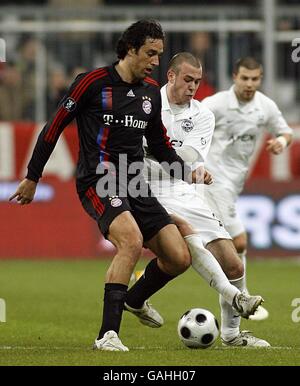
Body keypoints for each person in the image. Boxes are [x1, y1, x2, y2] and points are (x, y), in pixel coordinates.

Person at [9, 20, 203, 352]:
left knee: (178, 257)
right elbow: (53, 128)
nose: (156, 61)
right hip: (98, 180)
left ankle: (133, 299)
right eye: (150, 53)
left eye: (159, 54)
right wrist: (32, 176)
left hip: (134, 182)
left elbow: (158, 145)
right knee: (130, 240)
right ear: (130, 50)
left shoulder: (149, 93)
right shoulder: (92, 83)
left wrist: (188, 172)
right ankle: (107, 335)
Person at [128, 52, 270, 347]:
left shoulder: (203, 114)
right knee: (183, 235)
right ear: (171, 76)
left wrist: (157, 157)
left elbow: (188, 158)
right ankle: (236, 298)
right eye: (188, 79)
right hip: (144, 188)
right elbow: (138, 155)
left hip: (183, 189)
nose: (193, 86)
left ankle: (231, 335)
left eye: (197, 81)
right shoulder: (144, 102)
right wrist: (169, 161)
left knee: (234, 265)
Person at [201, 57, 293, 320]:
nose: (250, 84)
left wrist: (282, 143)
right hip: (212, 181)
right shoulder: (216, 104)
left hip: (234, 183)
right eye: (245, 78)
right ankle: (241, 298)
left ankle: (142, 286)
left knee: (191, 248)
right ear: (234, 76)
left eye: (255, 79)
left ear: (260, 79)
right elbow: (191, 125)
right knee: (239, 241)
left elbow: (285, 131)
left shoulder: (264, 106)